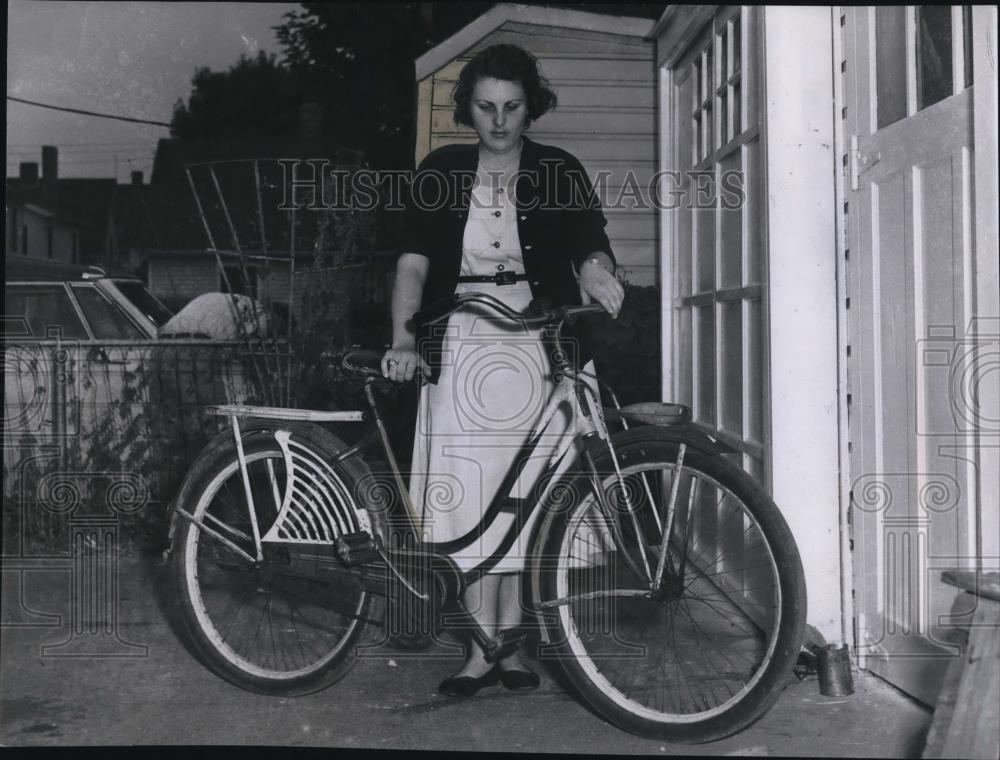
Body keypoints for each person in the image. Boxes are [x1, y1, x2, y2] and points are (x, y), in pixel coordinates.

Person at [382, 43, 624, 698]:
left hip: (540, 341)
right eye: (485, 107)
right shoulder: (441, 170)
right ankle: (477, 646)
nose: (498, 121)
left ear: (530, 106)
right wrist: (404, 339)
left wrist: (599, 270)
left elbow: (587, 242)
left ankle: (513, 643)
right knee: (472, 492)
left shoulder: (557, 170)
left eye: (511, 107)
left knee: (532, 492)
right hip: (462, 342)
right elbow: (412, 264)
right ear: (468, 108)